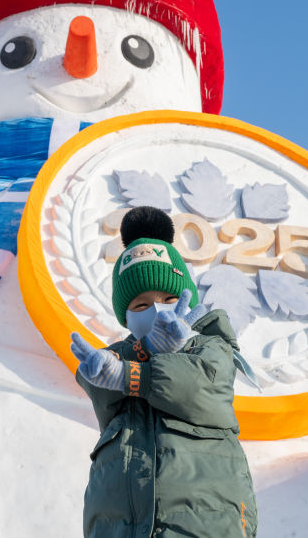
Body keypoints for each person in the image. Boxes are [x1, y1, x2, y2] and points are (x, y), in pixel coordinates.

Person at [71, 206, 257, 537]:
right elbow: (99, 387)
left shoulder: (212, 345)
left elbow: (201, 386)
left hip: (205, 519)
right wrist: (143, 353)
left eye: (170, 297)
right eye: (141, 305)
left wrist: (131, 375)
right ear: (125, 317)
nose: (157, 309)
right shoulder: (120, 356)